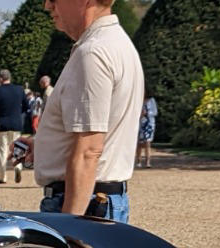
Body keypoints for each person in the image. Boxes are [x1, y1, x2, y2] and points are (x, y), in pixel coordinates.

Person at [31, 0, 144, 223]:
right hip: (98, 199)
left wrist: (71, 231)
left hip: (84, 203)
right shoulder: (118, 44)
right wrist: (44, 145)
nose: (47, 6)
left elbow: (88, 152)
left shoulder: (92, 53)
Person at [0, 68, 29, 183]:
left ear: (1, 79)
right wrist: (18, 112)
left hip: (3, 124)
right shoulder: (19, 89)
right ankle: (17, 167)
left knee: (3, 150)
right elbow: (27, 106)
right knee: (17, 148)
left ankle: (3, 177)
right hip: (16, 122)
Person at [136, 91, 157, 168]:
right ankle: (138, 161)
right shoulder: (138, 99)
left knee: (147, 142)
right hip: (140, 123)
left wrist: (147, 113)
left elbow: (155, 112)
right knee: (139, 143)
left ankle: (148, 162)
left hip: (149, 124)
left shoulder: (152, 100)